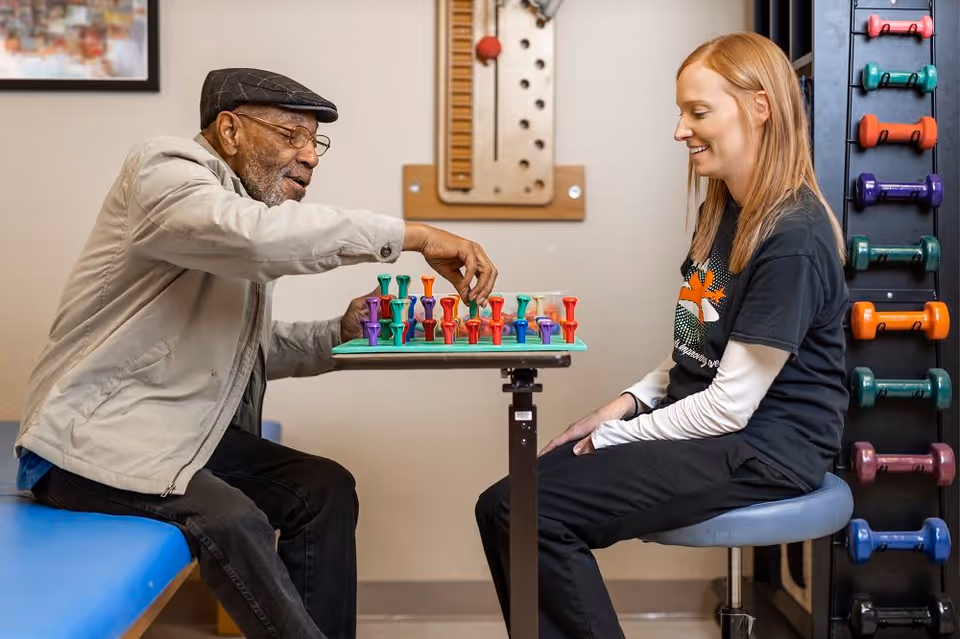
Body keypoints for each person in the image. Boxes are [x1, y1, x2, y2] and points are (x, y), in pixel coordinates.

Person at [14, 67, 497, 639]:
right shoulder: (166, 172)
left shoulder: (233, 220)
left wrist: (343, 330)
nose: (310, 156)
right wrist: (411, 235)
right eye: (291, 135)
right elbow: (254, 236)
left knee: (324, 489)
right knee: (233, 520)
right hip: (90, 443)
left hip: (179, 436)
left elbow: (247, 349)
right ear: (230, 130)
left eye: (314, 142)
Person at [475, 32, 849, 638]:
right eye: (681, 113)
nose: (680, 130)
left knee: (529, 512)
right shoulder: (724, 210)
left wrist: (621, 437)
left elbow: (731, 403)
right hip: (720, 427)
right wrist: (620, 405)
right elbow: (698, 347)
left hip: (767, 447)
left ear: (760, 108)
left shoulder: (794, 237)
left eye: (698, 112)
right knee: (504, 503)